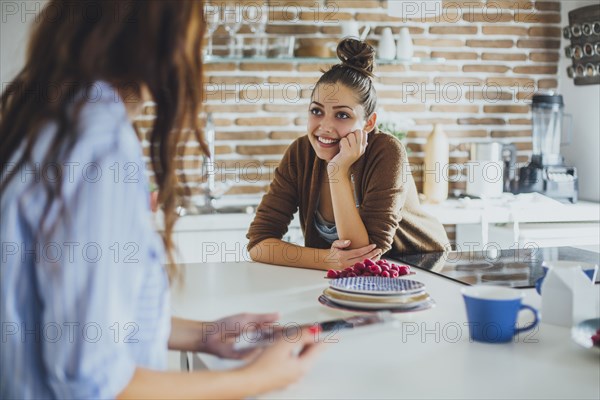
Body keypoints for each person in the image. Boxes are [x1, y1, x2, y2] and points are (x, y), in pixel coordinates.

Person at [0, 2, 321, 399]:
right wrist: (260, 379)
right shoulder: (101, 143)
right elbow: (92, 383)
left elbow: (75, 323)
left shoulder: (51, 117)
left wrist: (205, 335)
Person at [247, 38, 449, 270]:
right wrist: (326, 260)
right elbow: (259, 243)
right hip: (352, 278)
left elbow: (364, 256)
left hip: (419, 267)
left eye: (342, 115)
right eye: (316, 111)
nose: (325, 126)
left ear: (368, 123)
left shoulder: (386, 152)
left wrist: (338, 172)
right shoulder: (300, 153)